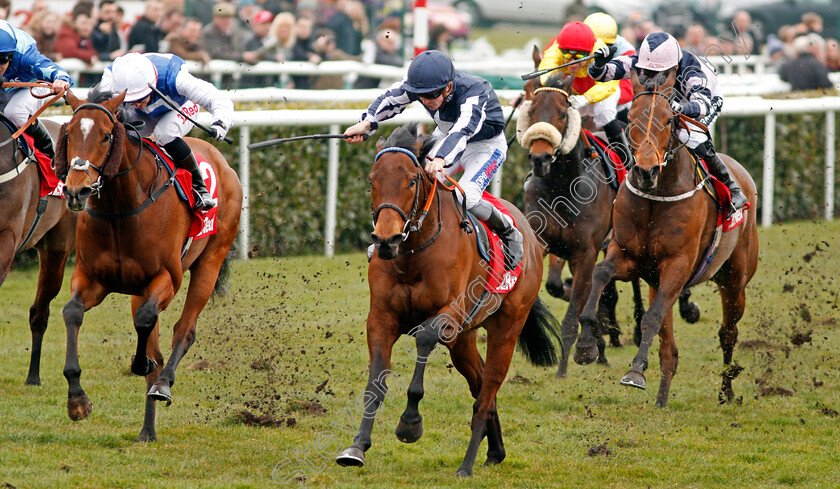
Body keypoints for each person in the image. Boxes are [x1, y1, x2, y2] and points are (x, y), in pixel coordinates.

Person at [344, 50, 523, 270]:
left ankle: (509, 233)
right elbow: (391, 98)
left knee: (465, 195)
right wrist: (367, 123)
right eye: (421, 96)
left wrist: (440, 158)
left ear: (449, 86)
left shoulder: (475, 91)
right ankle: (390, 234)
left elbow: (462, 130)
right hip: (448, 138)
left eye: (432, 95)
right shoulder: (423, 87)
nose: (426, 101)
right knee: (412, 180)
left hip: (485, 146)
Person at [588, 31, 748, 218]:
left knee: (689, 136)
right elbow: (601, 75)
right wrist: (598, 63)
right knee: (643, 130)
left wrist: (680, 107)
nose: (653, 76)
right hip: (666, 103)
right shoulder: (640, 61)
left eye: (660, 72)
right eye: (649, 72)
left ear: (675, 66)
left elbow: (702, 105)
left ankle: (732, 188)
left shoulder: (692, 71)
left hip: (702, 101)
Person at [98, 52, 235, 211]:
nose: (138, 104)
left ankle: (199, 187)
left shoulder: (176, 78)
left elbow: (216, 98)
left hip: (179, 107)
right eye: (132, 101)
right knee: (126, 135)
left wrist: (221, 122)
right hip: (146, 115)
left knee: (165, 133)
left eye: (141, 98)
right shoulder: (112, 78)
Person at [539, 22, 629, 166]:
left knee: (603, 112)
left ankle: (625, 160)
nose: (573, 62)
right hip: (577, 91)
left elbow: (608, 85)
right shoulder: (555, 50)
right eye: (567, 55)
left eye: (579, 56)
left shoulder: (600, 51)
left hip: (604, 88)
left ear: (589, 52)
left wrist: (587, 98)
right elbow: (546, 73)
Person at [0, 19, 72, 160]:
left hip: (32, 85)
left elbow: (53, 69)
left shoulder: (26, 56)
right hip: (5, 89)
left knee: (14, 112)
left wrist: (61, 80)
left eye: (2, 59)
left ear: (12, 55)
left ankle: (52, 153)